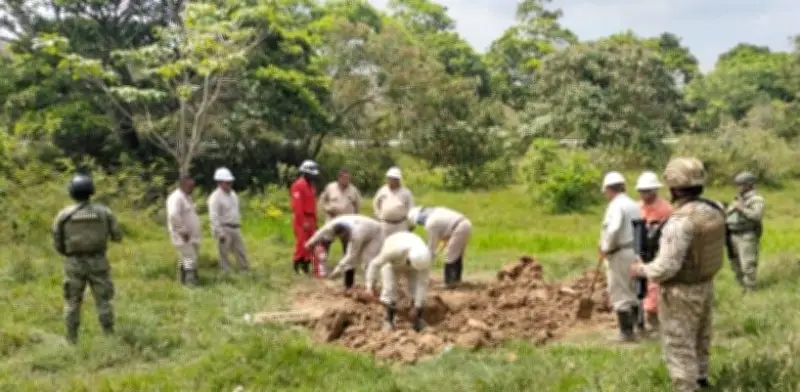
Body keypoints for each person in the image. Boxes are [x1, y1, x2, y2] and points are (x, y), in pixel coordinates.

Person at [631, 157, 726, 391]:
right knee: (701, 338)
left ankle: (686, 386)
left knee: (679, 345)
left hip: (680, 291)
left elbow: (666, 268)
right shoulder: (714, 209)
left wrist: (641, 270)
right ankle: (702, 379)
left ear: (673, 186)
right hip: (705, 284)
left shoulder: (680, 222)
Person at [53, 175, 123, 343]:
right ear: (91, 191)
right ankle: (109, 334)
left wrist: (69, 254)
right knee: (103, 300)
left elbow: (57, 241)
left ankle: (71, 339)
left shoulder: (64, 215)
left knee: (72, 301)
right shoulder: (104, 212)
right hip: (98, 261)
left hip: (74, 263)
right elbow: (117, 236)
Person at [599, 171, 642, 342]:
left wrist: (606, 247)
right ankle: (639, 328)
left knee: (619, 292)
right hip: (634, 250)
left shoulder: (616, 206)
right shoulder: (633, 204)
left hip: (619, 252)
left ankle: (626, 332)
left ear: (609, 189)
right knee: (633, 290)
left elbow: (614, 228)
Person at [364, 231, 432, 332]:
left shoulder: (424, 260)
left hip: (414, 262)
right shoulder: (393, 251)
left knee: (415, 289)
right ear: (408, 258)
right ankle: (388, 320)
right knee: (390, 288)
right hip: (393, 261)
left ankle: (417, 320)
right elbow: (375, 264)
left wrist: (417, 307)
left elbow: (422, 284)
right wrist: (370, 286)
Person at [635, 171, 673, 334]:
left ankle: (654, 321)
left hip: (658, 251)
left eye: (647, 191)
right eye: (642, 191)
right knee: (638, 287)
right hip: (639, 251)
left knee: (654, 286)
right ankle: (640, 321)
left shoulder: (666, 209)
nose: (644, 195)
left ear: (655, 190)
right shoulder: (637, 208)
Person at [304, 214, 382, 290]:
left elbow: (351, 255)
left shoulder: (356, 235)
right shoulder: (332, 224)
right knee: (351, 263)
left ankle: (370, 287)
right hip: (362, 225)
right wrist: (310, 243)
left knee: (368, 261)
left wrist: (337, 270)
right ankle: (349, 286)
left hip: (375, 232)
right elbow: (321, 232)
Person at [407, 206, 472, 289]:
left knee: (449, 255)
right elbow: (444, 234)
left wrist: (425, 261)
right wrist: (435, 252)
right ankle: (456, 280)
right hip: (464, 224)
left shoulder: (431, 224)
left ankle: (449, 282)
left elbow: (432, 246)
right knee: (456, 254)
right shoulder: (436, 212)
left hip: (459, 227)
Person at [726, 171, 765, 292]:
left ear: (749, 185)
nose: (738, 187)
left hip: (746, 234)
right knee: (735, 263)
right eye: (737, 185)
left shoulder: (756, 199)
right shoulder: (738, 198)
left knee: (747, 263)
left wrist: (742, 208)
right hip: (732, 234)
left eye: (741, 184)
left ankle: (750, 289)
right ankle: (741, 286)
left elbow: (757, 216)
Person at [208, 167, 249, 273]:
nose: (229, 184)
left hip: (235, 227)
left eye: (230, 182)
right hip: (224, 227)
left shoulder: (233, 194)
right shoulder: (215, 197)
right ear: (219, 182)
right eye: (227, 182)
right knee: (224, 252)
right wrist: (219, 232)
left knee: (240, 250)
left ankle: (244, 270)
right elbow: (214, 216)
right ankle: (226, 272)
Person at [167, 175, 202, 286]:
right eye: (190, 186)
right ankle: (190, 282)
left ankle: (183, 280)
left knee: (187, 257)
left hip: (190, 235)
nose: (192, 188)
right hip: (182, 234)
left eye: (193, 186)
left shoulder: (187, 197)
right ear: (182, 185)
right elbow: (173, 215)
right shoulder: (176, 198)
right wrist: (182, 231)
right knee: (189, 257)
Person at [318, 168, 362, 254]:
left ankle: (347, 262)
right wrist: (326, 210)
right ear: (339, 178)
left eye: (348, 178)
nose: (346, 180)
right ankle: (322, 260)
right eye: (344, 178)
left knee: (347, 244)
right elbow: (322, 201)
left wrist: (355, 219)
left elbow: (357, 206)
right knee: (326, 240)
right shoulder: (330, 187)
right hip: (332, 219)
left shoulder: (354, 190)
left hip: (347, 221)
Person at [291, 160, 319, 275]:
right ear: (305, 173)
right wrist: (302, 221)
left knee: (311, 243)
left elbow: (313, 204)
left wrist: (315, 221)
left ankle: (306, 265)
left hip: (311, 218)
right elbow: (297, 206)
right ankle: (297, 264)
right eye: (311, 174)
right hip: (302, 218)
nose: (313, 176)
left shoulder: (312, 186)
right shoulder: (298, 185)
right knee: (301, 243)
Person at [373, 167, 415, 238]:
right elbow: (376, 203)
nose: (389, 181)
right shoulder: (383, 190)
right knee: (384, 243)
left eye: (392, 179)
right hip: (385, 225)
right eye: (388, 179)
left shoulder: (406, 192)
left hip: (400, 225)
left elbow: (411, 208)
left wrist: (411, 223)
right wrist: (378, 215)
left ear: (398, 180)